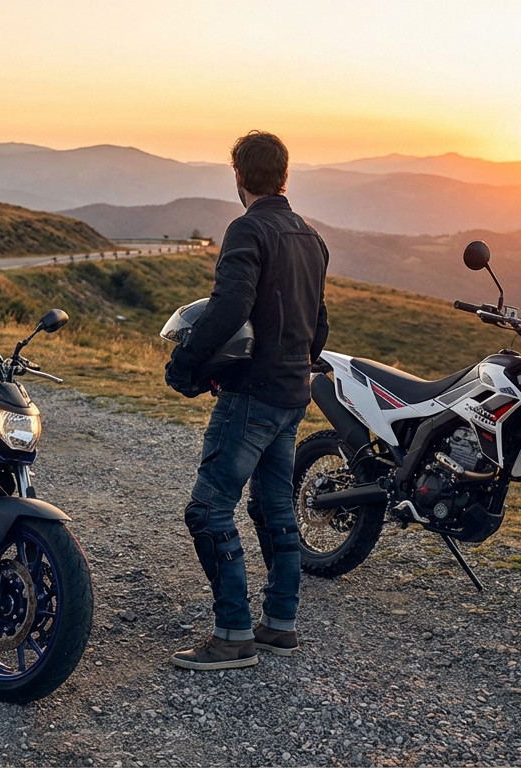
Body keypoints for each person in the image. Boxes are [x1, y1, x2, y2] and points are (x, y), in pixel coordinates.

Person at [164, 130, 330, 670]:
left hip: (253, 393)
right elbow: (318, 326)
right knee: (272, 507)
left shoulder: (247, 228)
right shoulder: (311, 238)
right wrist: (293, 368)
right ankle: (280, 624)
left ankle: (232, 634)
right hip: (291, 393)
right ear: (284, 175)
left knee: (208, 511)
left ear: (238, 175)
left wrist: (187, 363)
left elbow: (231, 304)